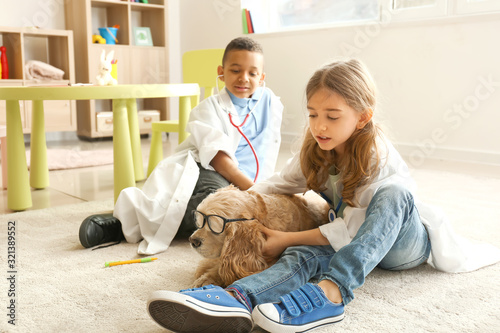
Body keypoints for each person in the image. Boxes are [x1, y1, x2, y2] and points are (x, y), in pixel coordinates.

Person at [145, 59, 500, 333]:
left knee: (394, 195)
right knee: (302, 251)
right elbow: (277, 184)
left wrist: (284, 237)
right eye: (314, 115)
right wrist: (243, 203)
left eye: (332, 116)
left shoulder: (378, 155)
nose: (320, 126)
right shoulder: (316, 149)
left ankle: (331, 293)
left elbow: (354, 229)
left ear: (362, 118)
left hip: (402, 245)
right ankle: (238, 297)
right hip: (350, 238)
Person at [78, 37, 283, 255]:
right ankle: (123, 224)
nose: (244, 78)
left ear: (261, 78)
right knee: (217, 201)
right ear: (221, 72)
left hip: (247, 182)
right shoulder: (208, 109)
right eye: (235, 70)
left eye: (252, 73)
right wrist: (254, 191)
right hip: (209, 168)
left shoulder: (270, 104)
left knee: (238, 212)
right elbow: (220, 161)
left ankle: (186, 220)